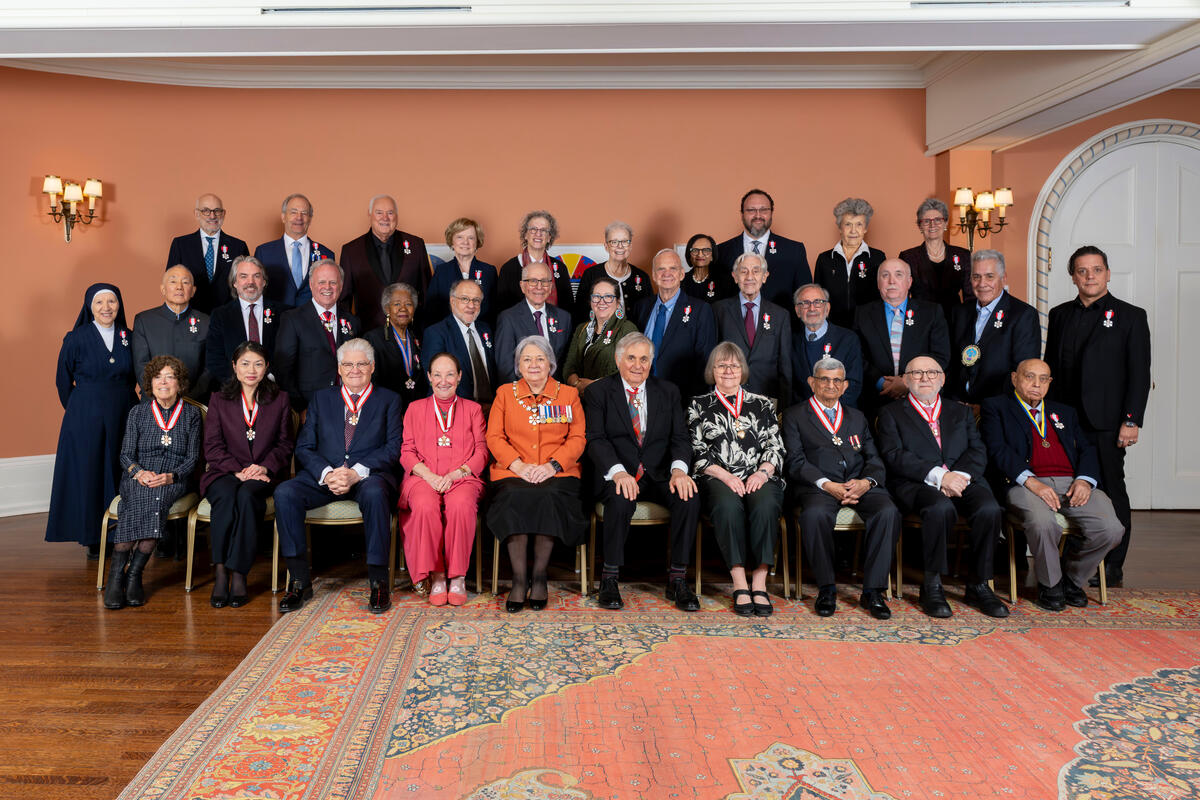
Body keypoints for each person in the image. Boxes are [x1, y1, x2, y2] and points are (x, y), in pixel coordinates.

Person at [980, 359, 1125, 611]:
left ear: (1049, 383)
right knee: (1042, 522)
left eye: (1043, 379)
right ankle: (1050, 584)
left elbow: (1088, 450)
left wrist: (1084, 480)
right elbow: (997, 450)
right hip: (1025, 483)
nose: (1036, 384)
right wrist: (1032, 482)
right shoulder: (997, 407)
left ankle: (1071, 580)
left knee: (1111, 528)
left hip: (1072, 483)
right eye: (1029, 377)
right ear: (1015, 378)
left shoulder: (1065, 412)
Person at [1044, 245, 1151, 587]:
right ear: (1072, 276)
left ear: (1107, 273)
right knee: (1069, 487)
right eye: (1082, 270)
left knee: (1110, 488)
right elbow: (1050, 369)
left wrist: (1132, 420)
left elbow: (1139, 373)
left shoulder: (1131, 316)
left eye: (1096, 269)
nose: (1089, 276)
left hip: (1107, 422)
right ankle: (1073, 554)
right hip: (1065, 422)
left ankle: (1114, 564)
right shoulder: (1059, 314)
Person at [273, 339, 404, 614]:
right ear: (339, 369)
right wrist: (328, 473)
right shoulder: (322, 398)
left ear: (372, 367)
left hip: (369, 476)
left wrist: (356, 473)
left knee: (376, 493)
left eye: (361, 364)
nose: (354, 369)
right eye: (348, 364)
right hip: (327, 474)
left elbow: (393, 449)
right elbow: (305, 447)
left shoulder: (389, 399)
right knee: (285, 493)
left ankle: (379, 582)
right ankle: (299, 581)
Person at [875, 355, 1009, 618]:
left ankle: (979, 584)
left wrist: (957, 476)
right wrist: (939, 476)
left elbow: (978, 450)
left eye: (931, 372)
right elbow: (894, 455)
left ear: (943, 379)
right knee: (939, 508)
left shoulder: (960, 411)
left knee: (990, 509)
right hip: (916, 482)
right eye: (916, 373)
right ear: (905, 379)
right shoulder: (890, 413)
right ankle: (932, 584)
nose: (925, 377)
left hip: (963, 478)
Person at [585, 333, 701, 612]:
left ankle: (678, 578)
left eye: (644, 359)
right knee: (620, 499)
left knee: (689, 497)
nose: (638, 365)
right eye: (631, 358)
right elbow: (596, 439)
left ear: (652, 361)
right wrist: (617, 473)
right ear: (618, 359)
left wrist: (679, 471)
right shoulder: (599, 392)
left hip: (659, 473)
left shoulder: (668, 391)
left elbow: (680, 438)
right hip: (618, 474)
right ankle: (609, 578)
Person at [783, 357, 899, 619]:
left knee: (888, 511)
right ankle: (827, 588)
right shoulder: (795, 415)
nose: (830, 385)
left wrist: (866, 482)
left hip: (859, 485)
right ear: (812, 382)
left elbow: (874, 459)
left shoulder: (857, 417)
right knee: (814, 516)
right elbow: (795, 461)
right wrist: (827, 484)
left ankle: (873, 591)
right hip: (818, 487)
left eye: (837, 380)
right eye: (824, 379)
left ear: (845, 386)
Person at [486, 336, 587, 613]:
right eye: (527, 359)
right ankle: (519, 580)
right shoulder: (505, 394)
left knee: (549, 495)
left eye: (540, 358)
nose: (533, 364)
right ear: (518, 365)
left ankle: (540, 577)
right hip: (513, 472)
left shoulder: (568, 395)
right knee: (514, 495)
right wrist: (517, 466)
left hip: (557, 473)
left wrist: (551, 466)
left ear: (550, 364)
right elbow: (494, 437)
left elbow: (578, 438)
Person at [688, 342, 785, 616]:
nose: (728, 370)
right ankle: (739, 581)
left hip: (760, 475)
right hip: (717, 476)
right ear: (712, 371)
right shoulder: (699, 405)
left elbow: (775, 447)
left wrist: (762, 472)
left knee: (765, 504)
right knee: (727, 506)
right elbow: (697, 450)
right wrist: (724, 475)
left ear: (742, 370)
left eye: (733, 365)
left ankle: (760, 582)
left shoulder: (762, 404)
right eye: (721, 365)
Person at [46, 284, 139, 557]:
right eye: (100, 302)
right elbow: (63, 381)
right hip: (84, 417)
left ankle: (123, 532)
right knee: (91, 473)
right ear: (89, 306)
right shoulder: (75, 338)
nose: (106, 308)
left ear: (119, 305)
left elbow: (135, 377)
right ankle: (94, 538)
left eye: (112, 301)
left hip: (123, 412)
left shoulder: (129, 336)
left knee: (121, 471)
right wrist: (79, 410)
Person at [103, 355, 202, 609]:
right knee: (143, 497)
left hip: (173, 479)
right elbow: (125, 455)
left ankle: (133, 575)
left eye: (170, 376)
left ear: (179, 383)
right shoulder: (138, 412)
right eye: (158, 377)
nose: (164, 382)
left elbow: (193, 458)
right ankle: (117, 577)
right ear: (151, 383)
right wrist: (138, 472)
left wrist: (171, 476)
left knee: (155, 498)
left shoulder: (191, 414)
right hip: (139, 476)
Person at [200, 342, 294, 608]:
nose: (251, 370)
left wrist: (263, 468)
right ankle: (220, 572)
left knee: (247, 496)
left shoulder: (280, 399)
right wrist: (237, 470)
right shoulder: (219, 400)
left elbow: (285, 445)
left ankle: (239, 573)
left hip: (263, 475)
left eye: (258, 363)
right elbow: (213, 447)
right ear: (234, 366)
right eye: (245, 363)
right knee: (227, 496)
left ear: (266, 368)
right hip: (224, 472)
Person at [398, 353, 488, 607]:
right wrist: (430, 476)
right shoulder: (415, 409)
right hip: (423, 478)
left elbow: (482, 451)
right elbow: (406, 452)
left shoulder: (473, 410)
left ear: (459, 377)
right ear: (428, 377)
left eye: (450, 374)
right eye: (437, 374)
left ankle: (457, 576)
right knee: (425, 507)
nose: (443, 381)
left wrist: (454, 475)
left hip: (462, 478)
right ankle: (436, 576)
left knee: (460, 505)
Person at [854, 258, 950, 418]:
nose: (891, 281)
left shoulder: (931, 313)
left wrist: (907, 382)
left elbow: (941, 356)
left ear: (909, 281)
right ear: (878, 283)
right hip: (876, 400)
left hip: (922, 400)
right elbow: (857, 357)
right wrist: (882, 382)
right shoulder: (862, 314)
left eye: (899, 275)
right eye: (885, 275)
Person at [946, 250, 1040, 408]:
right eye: (976, 277)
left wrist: (986, 407)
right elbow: (950, 362)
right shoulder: (959, 312)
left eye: (990, 276)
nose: (982, 284)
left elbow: (1022, 372)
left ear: (1003, 279)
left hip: (998, 409)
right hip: (958, 408)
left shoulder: (1023, 315)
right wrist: (954, 401)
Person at [632, 248, 718, 403]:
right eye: (661, 269)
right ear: (653, 274)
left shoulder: (700, 310)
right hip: (641, 398)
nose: (667, 273)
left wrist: (693, 406)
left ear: (682, 274)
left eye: (673, 268)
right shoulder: (641, 307)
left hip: (680, 400)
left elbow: (705, 362)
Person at [274, 260, 362, 411]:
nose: (327, 287)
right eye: (321, 282)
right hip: (309, 407)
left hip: (348, 406)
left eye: (333, 282)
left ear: (341, 286)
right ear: (311, 284)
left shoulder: (352, 321)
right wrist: (300, 408)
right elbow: (283, 370)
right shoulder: (292, 319)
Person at [339, 194, 430, 331]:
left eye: (390, 213)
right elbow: (343, 301)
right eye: (379, 212)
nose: (385, 218)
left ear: (397, 216)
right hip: (368, 334)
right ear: (370, 214)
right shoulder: (351, 251)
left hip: (410, 333)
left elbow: (426, 292)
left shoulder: (416, 245)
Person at [713, 252, 792, 405]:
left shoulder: (780, 315)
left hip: (767, 399)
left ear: (765, 276)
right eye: (743, 271)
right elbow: (711, 359)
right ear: (735, 277)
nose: (749, 277)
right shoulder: (718, 310)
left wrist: (784, 407)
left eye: (756, 271)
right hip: (727, 398)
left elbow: (785, 367)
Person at [715, 189, 811, 310]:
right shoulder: (722, 251)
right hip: (733, 327)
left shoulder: (794, 250)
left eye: (764, 210)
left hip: (782, 327)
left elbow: (806, 298)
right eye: (751, 210)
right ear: (742, 214)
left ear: (771, 213)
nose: (758, 216)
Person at [132, 265, 211, 400]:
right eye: (173, 281)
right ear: (163, 289)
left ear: (193, 291)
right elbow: (141, 366)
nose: (179, 287)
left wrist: (188, 400)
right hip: (154, 404)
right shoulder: (144, 321)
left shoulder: (206, 322)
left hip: (194, 403)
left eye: (185, 282)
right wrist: (160, 398)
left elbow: (209, 369)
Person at [165, 192, 249, 313]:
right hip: (190, 316)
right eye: (206, 210)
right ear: (196, 214)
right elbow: (171, 283)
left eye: (217, 210)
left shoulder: (238, 246)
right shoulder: (181, 245)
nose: (212, 215)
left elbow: (245, 285)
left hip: (228, 317)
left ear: (224, 214)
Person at [813, 197, 887, 328]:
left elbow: (883, 297)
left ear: (865, 228)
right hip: (833, 329)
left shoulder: (878, 258)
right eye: (848, 224)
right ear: (840, 228)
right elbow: (818, 298)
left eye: (859, 224)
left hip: (869, 328)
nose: (853, 231)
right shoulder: (824, 259)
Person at [421, 279, 497, 405]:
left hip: (492, 407)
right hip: (456, 408)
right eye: (465, 299)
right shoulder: (436, 333)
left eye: (476, 300)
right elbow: (435, 379)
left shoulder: (486, 329)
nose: (471, 305)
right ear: (452, 301)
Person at [495, 261, 572, 383]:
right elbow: (505, 368)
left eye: (544, 281)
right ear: (522, 286)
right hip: (522, 395)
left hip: (557, 394)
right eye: (533, 281)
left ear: (551, 286)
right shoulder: (508, 318)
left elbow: (567, 362)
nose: (539, 287)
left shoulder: (564, 318)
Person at [255, 193, 335, 307]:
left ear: (310, 219)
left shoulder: (326, 254)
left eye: (304, 213)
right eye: (293, 212)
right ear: (283, 217)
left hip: (312, 321)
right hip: (276, 321)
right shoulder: (263, 253)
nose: (299, 217)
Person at [899, 198, 974, 322]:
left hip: (955, 322)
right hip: (921, 321)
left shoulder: (963, 255)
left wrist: (968, 325)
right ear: (920, 226)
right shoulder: (908, 257)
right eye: (926, 221)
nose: (932, 225)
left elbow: (970, 297)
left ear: (945, 223)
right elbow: (903, 298)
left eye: (938, 220)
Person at [791, 283, 863, 408]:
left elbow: (854, 385)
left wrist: (826, 410)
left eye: (818, 302)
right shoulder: (790, 341)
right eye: (805, 303)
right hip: (802, 416)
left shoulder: (848, 339)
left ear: (827, 308)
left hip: (841, 415)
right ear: (797, 311)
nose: (812, 308)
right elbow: (790, 386)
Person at [563, 276, 639, 394]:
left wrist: (594, 386)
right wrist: (577, 384)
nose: (601, 302)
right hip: (580, 400)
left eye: (608, 297)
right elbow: (569, 366)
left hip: (611, 400)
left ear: (618, 302)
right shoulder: (581, 329)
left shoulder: (628, 329)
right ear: (591, 301)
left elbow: (631, 371)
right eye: (596, 296)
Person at [495, 210, 574, 316]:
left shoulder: (560, 268)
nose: (538, 234)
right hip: (519, 330)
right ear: (525, 235)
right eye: (533, 229)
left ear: (549, 237)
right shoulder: (509, 268)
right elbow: (501, 310)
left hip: (553, 329)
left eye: (544, 230)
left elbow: (568, 309)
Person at [364, 282, 429, 407]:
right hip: (388, 408)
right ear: (387, 309)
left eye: (408, 304)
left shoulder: (419, 338)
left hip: (419, 407)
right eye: (397, 304)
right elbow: (372, 382)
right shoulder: (373, 339)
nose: (403, 308)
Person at [425, 218, 498, 327]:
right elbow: (430, 311)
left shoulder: (489, 271)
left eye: (471, 238)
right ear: (452, 241)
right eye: (460, 237)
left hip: (481, 334)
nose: (465, 242)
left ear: (477, 242)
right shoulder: (441, 271)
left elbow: (496, 310)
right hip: (448, 334)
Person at [573, 221, 653, 313]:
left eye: (625, 241)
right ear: (606, 246)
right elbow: (579, 313)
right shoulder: (591, 274)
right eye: (614, 242)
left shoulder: (643, 277)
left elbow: (649, 314)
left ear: (630, 246)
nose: (620, 246)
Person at [681, 233, 724, 302]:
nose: (700, 254)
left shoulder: (723, 281)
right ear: (689, 255)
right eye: (695, 250)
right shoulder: (681, 281)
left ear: (712, 256)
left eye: (706, 250)